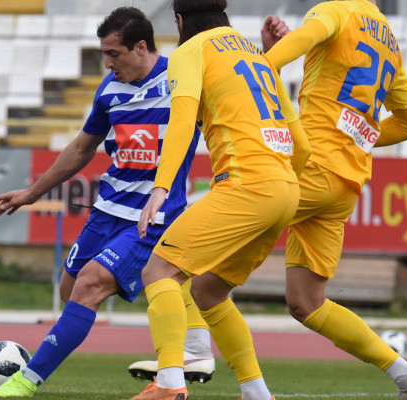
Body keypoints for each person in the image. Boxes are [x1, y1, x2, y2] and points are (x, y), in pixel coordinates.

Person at [0, 7, 214, 397]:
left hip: (152, 215)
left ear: (140, 47)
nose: (108, 64)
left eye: (113, 54)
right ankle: (191, 336)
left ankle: (24, 383)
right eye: (104, 55)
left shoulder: (182, 78)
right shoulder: (109, 90)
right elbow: (82, 147)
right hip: (106, 211)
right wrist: (32, 192)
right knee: (70, 290)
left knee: (90, 284)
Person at [127, 0, 311, 399]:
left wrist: (160, 188)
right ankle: (256, 392)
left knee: (159, 271)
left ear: (180, 21)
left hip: (245, 185)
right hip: (285, 190)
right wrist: (280, 185)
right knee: (208, 292)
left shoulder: (189, 51)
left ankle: (169, 384)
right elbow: (302, 146)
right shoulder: (257, 56)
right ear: (225, 16)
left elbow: (181, 121)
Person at [259, 2, 407, 400]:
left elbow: (282, 55)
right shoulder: (388, 41)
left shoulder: (334, 11)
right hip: (345, 184)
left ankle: (186, 362)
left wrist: (262, 61)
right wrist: (356, 136)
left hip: (310, 167)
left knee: (196, 252)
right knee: (307, 303)